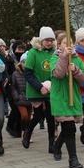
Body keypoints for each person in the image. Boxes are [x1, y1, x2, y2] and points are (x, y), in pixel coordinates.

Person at [50, 32, 84, 168]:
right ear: (59, 45)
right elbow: (58, 74)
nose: (69, 46)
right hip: (61, 98)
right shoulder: (54, 58)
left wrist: (76, 70)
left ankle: (57, 146)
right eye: (65, 43)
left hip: (73, 97)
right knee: (69, 128)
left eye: (71, 43)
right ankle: (73, 159)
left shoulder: (77, 59)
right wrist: (64, 57)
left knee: (68, 127)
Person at [23, 26, 57, 154]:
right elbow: (28, 74)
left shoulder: (54, 52)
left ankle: (51, 144)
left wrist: (51, 85)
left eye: (51, 40)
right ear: (41, 40)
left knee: (50, 116)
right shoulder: (33, 52)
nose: (49, 43)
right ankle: (28, 133)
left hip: (51, 89)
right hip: (36, 89)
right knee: (38, 115)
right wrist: (40, 87)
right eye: (47, 40)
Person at [5, 40, 27, 137]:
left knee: (20, 109)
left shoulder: (25, 58)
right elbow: (7, 73)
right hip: (12, 86)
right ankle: (10, 126)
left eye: (22, 49)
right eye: (19, 49)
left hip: (22, 86)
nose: (21, 51)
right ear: (14, 49)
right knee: (15, 108)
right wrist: (10, 78)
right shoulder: (10, 59)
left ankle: (18, 127)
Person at [10, 51, 32, 141]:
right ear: (20, 63)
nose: (25, 64)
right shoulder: (16, 74)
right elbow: (13, 87)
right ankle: (23, 132)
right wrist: (16, 96)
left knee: (29, 117)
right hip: (20, 98)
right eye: (23, 62)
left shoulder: (32, 72)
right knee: (24, 115)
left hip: (30, 98)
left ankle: (27, 133)